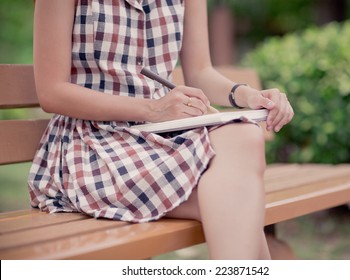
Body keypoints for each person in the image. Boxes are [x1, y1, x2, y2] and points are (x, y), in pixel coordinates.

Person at [29, 0, 294, 260]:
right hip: (93, 145)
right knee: (237, 203)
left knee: (245, 135)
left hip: (163, 136)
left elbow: (200, 72)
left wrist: (248, 96)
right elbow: (52, 93)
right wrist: (153, 109)